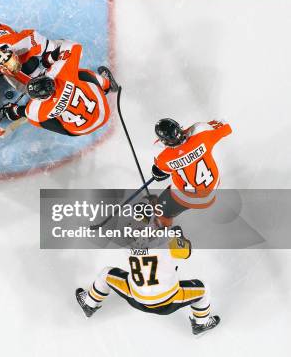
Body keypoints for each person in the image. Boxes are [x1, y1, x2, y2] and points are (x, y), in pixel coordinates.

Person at [75, 229, 221, 336]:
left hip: (135, 298)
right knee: (204, 288)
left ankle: (89, 304)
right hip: (168, 302)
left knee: (106, 273)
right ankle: (201, 324)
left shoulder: (128, 238)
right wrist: (178, 235)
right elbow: (187, 251)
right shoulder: (167, 239)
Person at [151, 118, 232, 227]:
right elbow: (226, 127)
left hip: (189, 196)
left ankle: (162, 230)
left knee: (159, 210)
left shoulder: (163, 156)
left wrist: (157, 172)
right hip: (212, 186)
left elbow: (161, 172)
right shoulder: (201, 132)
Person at [0, 63, 117, 136]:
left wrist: (13, 111)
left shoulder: (39, 110)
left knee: (35, 119)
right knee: (81, 74)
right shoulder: (64, 77)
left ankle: (59, 115)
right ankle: (107, 85)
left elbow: (23, 111)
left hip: (79, 130)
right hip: (103, 113)